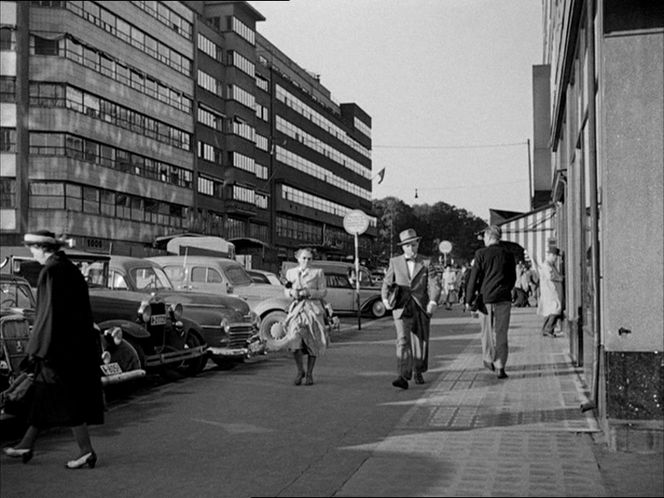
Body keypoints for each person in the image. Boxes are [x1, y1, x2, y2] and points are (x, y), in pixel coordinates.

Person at [3, 230, 104, 468]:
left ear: (42, 248)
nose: (32, 253)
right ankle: (26, 445)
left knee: (63, 398)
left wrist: (36, 349)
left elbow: (47, 315)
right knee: (43, 395)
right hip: (74, 347)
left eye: (33, 249)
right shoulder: (70, 269)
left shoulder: (51, 272)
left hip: (58, 349)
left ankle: (86, 450)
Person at [381, 229, 441, 389]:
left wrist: (433, 301)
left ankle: (418, 370)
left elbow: (434, 284)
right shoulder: (395, 262)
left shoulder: (426, 262)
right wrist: (385, 298)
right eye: (408, 246)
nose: (412, 249)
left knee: (420, 342)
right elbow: (387, 283)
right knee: (402, 341)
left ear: (418, 244)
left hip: (421, 306)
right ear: (403, 247)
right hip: (401, 307)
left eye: (414, 245)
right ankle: (402, 375)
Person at [464, 225, 516, 379]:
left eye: (484, 238)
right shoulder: (508, 254)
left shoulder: (481, 254)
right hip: (503, 298)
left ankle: (488, 358)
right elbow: (512, 277)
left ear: (488, 236)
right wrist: (506, 288)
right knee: (501, 333)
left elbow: (473, 278)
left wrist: (468, 300)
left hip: (485, 298)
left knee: (486, 331)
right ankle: (501, 366)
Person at [274, 248, 329, 386]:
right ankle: (300, 371)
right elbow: (286, 291)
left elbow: (323, 292)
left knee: (313, 342)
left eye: (309, 259)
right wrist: (292, 293)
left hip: (312, 310)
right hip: (296, 310)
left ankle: (309, 374)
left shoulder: (318, 273)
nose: (306, 261)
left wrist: (308, 292)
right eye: (304, 258)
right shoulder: (291, 273)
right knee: (294, 341)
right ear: (298, 259)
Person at [536, 246, 564, 337]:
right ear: (551, 255)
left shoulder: (550, 265)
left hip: (551, 291)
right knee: (555, 309)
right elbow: (550, 276)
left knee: (549, 311)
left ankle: (545, 329)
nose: (556, 259)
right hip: (550, 291)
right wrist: (560, 278)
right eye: (555, 256)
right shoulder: (546, 265)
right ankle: (548, 329)